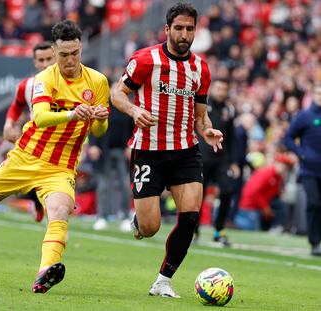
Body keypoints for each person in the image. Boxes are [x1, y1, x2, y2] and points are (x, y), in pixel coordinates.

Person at [0, 20, 110, 293]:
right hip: (27, 156)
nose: (70, 60)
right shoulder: (45, 79)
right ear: (55, 53)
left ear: (81, 49)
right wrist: (72, 113)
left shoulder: (98, 81)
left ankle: (44, 272)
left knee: (60, 211)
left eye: (75, 53)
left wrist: (100, 118)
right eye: (64, 54)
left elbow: (100, 131)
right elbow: (41, 118)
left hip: (62, 165)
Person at [111, 3, 223, 298]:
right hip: (149, 150)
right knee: (149, 228)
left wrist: (207, 129)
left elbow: (201, 115)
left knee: (190, 216)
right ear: (167, 30)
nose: (184, 34)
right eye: (179, 28)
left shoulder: (201, 68)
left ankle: (163, 280)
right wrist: (134, 110)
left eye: (189, 29)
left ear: (195, 31)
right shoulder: (146, 60)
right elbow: (117, 93)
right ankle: (139, 220)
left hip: (186, 150)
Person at [3, 41, 55, 222]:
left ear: (55, 57)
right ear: (35, 62)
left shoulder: (69, 83)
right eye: (41, 59)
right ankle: (36, 202)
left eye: (49, 58)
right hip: (37, 139)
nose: (45, 63)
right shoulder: (27, 86)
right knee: (31, 177)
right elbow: (16, 107)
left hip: (62, 141)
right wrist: (8, 124)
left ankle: (54, 217)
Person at [196, 78, 240, 246]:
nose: (221, 91)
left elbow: (232, 138)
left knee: (228, 190)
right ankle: (194, 230)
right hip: (203, 157)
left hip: (222, 159)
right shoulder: (203, 106)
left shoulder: (229, 109)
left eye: (224, 89)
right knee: (198, 195)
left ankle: (219, 230)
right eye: (219, 88)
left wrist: (234, 162)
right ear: (213, 89)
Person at [284, 82, 321, 256]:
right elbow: (288, 138)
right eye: (319, 93)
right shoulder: (304, 116)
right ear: (313, 95)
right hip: (309, 169)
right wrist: (302, 154)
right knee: (314, 202)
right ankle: (314, 242)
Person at [88, 105, 134, 232]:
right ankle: (101, 217)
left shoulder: (126, 107)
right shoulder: (102, 105)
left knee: (125, 185)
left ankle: (125, 217)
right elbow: (93, 126)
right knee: (103, 185)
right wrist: (93, 145)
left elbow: (134, 129)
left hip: (122, 151)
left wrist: (131, 146)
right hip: (104, 152)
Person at [234, 154, 293, 231]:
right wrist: (265, 208)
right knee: (254, 230)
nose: (284, 168)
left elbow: (273, 193)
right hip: (250, 205)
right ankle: (273, 226)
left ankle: (276, 227)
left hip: (261, 205)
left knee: (280, 204)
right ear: (276, 163)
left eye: (286, 166)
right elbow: (254, 192)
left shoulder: (278, 177)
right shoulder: (266, 173)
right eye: (282, 165)